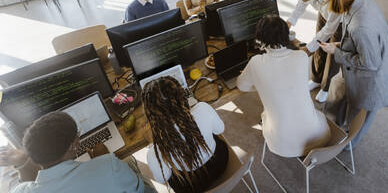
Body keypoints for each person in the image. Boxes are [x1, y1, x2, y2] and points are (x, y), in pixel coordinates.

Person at [317, 0, 388, 148]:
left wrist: (336, 51)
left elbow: (370, 62)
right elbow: (359, 41)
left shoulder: (360, 26)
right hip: (364, 59)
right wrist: (341, 44)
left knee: (357, 119)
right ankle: (330, 127)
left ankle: (344, 147)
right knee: (336, 85)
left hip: (372, 76)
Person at [237, 15, 331, 157]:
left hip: (283, 146)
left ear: (260, 40)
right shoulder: (301, 56)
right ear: (286, 35)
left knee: (265, 116)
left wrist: (260, 83)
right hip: (318, 136)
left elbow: (242, 86)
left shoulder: (256, 62)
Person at [0, 112, 155, 193]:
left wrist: (22, 163)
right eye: (77, 135)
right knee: (129, 165)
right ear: (73, 145)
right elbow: (139, 190)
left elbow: (21, 187)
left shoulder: (21, 190)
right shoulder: (109, 166)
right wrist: (104, 160)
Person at [143, 76, 228, 193]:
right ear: (182, 96)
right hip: (219, 163)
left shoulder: (156, 150)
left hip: (191, 187)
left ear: (151, 113)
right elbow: (220, 129)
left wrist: (152, 143)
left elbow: (162, 177)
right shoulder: (203, 108)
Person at [286, 0, 343, 103]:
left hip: (339, 23)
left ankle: (326, 87)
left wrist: (307, 49)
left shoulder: (334, 1)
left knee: (332, 54)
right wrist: (288, 23)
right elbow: (300, 6)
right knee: (318, 48)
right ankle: (316, 79)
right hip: (324, 15)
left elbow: (328, 30)